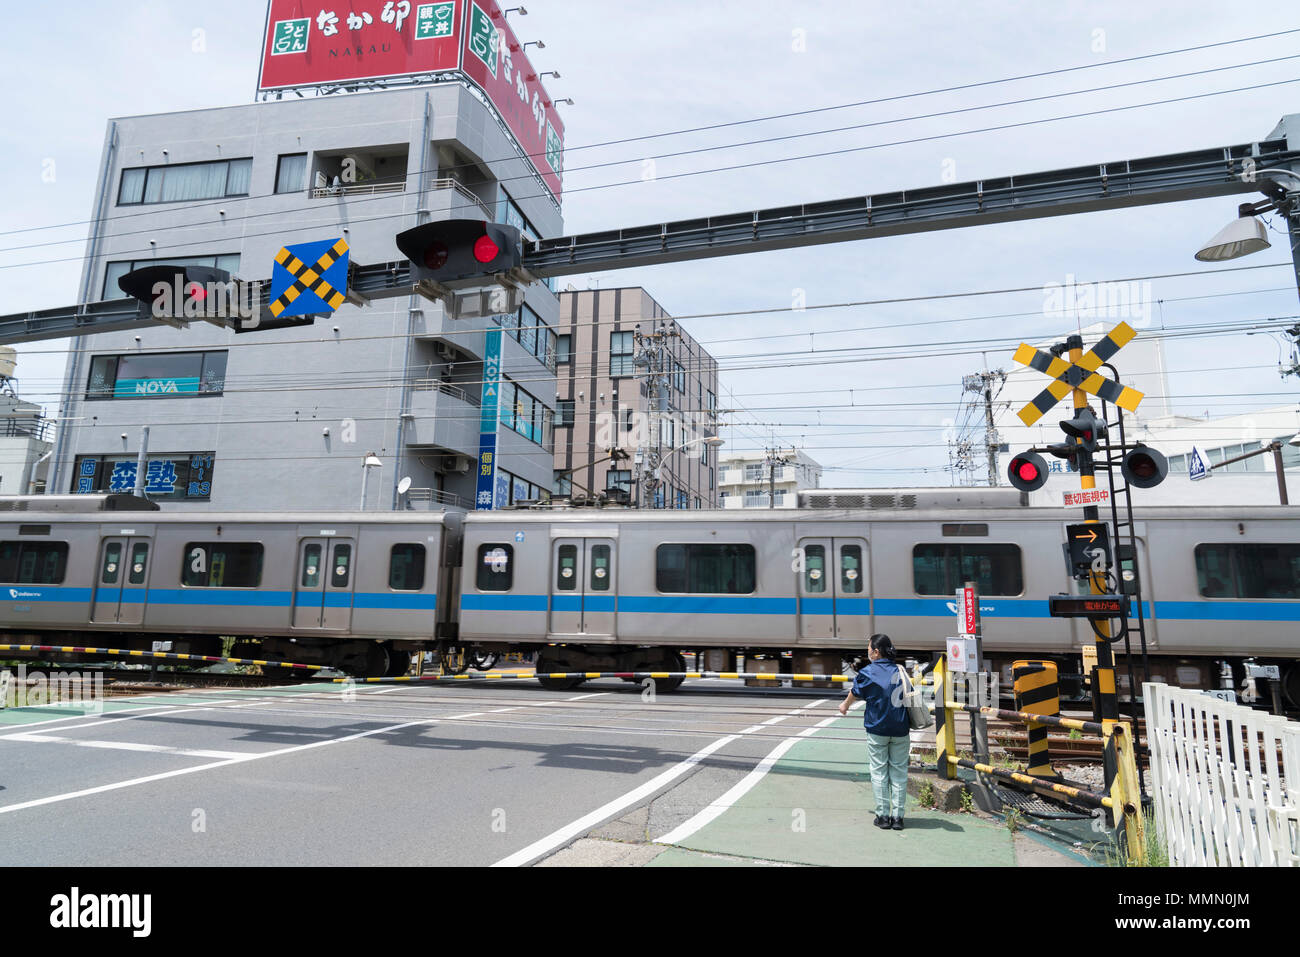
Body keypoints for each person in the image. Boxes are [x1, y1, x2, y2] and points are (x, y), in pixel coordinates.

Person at [838, 634, 910, 831]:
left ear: (876, 652)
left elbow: (856, 691)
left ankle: (883, 816)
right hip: (901, 728)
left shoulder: (868, 672)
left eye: (869, 648)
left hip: (877, 728)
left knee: (879, 772)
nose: (867, 651)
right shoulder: (900, 670)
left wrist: (844, 705)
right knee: (899, 772)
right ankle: (898, 818)